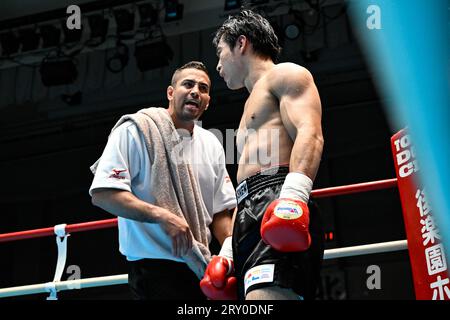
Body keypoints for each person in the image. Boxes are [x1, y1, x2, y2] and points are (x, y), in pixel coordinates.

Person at [200, 10, 324, 300]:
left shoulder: (286, 74)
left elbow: (310, 133)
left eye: (220, 53)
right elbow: (248, 185)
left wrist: (293, 198)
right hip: (249, 212)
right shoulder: (248, 107)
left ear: (241, 43)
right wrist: (230, 248)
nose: (217, 66)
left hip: (278, 198)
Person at [89, 61, 236, 300]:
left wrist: (229, 255)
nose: (195, 91)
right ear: (170, 92)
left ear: (207, 101)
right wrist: (163, 216)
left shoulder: (212, 143)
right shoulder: (136, 130)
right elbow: (103, 194)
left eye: (203, 88)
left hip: (201, 266)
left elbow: (221, 211)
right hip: (153, 269)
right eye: (188, 84)